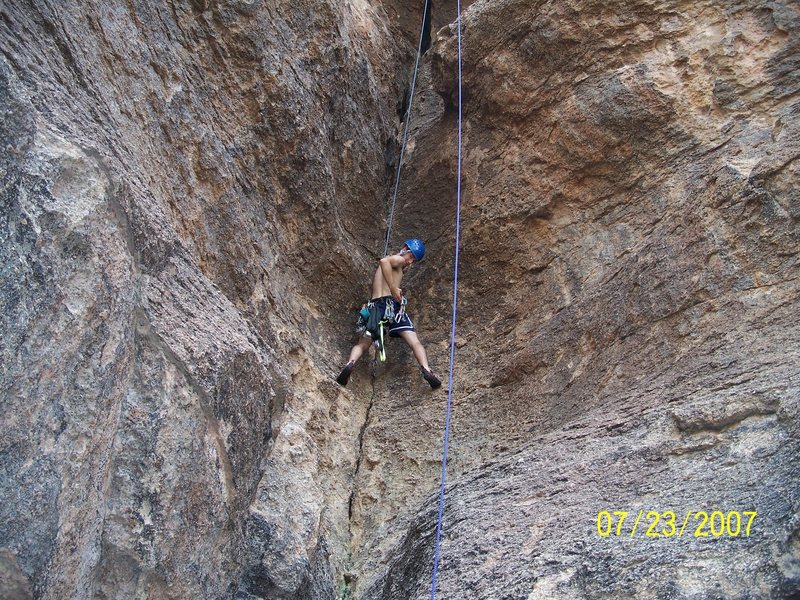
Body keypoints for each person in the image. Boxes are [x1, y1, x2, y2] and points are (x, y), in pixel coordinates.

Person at [336, 238, 442, 389]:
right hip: (390, 305)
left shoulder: (395, 266)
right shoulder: (397, 259)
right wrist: (393, 288)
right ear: (405, 248)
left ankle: (350, 363)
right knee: (414, 341)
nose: (410, 262)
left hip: (373, 307)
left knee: (363, 344)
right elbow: (384, 261)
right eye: (411, 256)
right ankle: (426, 368)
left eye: (414, 260)